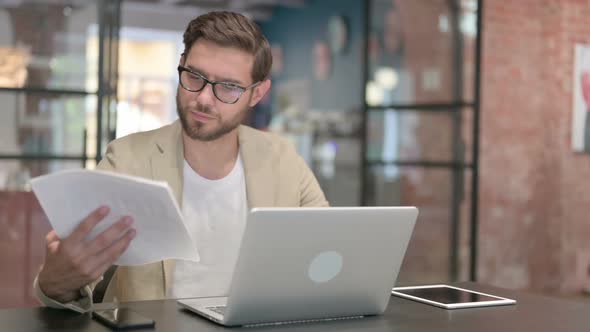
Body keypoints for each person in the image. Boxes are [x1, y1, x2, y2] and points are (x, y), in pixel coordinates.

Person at [34, 11, 328, 312]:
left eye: (228, 87)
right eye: (194, 76)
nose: (203, 99)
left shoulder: (283, 159)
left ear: (257, 94)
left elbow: (328, 249)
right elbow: (71, 285)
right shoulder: (127, 159)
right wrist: (57, 281)